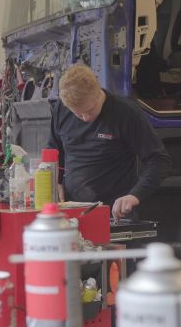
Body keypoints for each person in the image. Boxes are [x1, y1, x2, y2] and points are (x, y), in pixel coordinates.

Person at [47, 64, 171, 220]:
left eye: (90, 110)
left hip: (114, 213)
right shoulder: (61, 109)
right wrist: (55, 183)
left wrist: (134, 196)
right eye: (78, 114)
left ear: (98, 92)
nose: (85, 118)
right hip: (70, 211)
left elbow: (159, 160)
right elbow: (53, 150)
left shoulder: (126, 113)